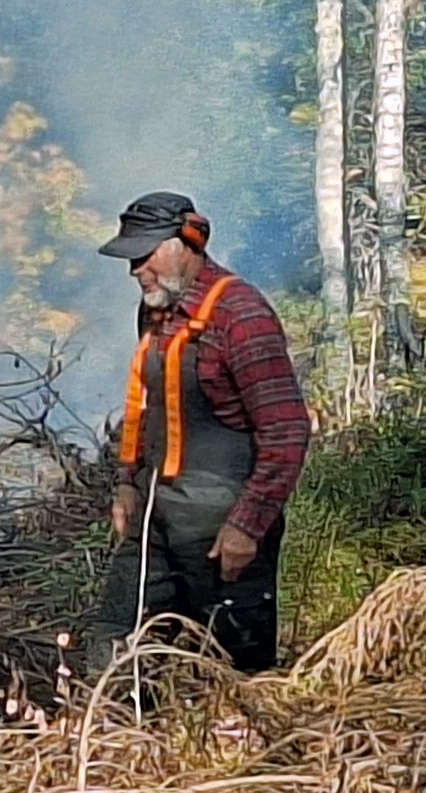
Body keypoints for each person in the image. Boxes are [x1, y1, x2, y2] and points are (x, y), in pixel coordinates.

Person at [81, 191, 311, 677]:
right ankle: (112, 741)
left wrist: (248, 525)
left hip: (223, 532)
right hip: (154, 521)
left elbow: (287, 431)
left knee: (234, 670)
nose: (135, 270)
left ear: (186, 244)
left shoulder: (243, 318)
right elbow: (145, 404)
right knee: (115, 645)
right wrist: (126, 480)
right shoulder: (155, 313)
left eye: (144, 255)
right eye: (130, 257)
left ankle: (241, 750)